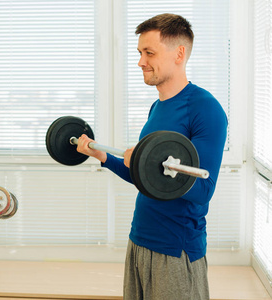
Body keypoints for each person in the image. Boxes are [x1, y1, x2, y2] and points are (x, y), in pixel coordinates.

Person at [77, 14, 227, 300]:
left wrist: (158, 167)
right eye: (139, 53)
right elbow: (146, 178)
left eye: (149, 53)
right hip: (140, 240)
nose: (141, 62)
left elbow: (203, 191)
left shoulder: (205, 109)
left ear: (179, 54)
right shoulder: (156, 109)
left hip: (176, 250)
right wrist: (104, 157)